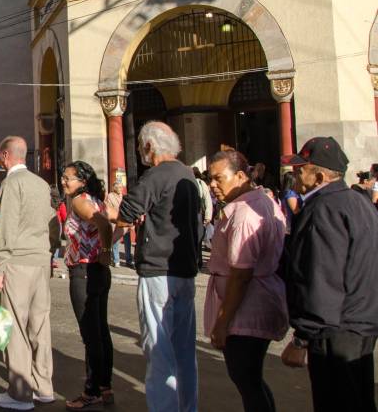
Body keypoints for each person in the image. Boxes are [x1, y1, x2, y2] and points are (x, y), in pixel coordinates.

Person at [281, 137, 378, 412]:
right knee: (358, 400)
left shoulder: (323, 208)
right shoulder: (359, 202)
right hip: (360, 322)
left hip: (335, 329)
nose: (296, 175)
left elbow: (321, 277)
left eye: (301, 170)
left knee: (336, 401)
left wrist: (302, 336)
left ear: (319, 176)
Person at [115, 121, 202, 412]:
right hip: (185, 271)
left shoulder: (157, 175)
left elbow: (126, 213)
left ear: (149, 147)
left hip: (158, 272)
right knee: (184, 352)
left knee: (159, 351)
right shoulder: (187, 175)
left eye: (141, 146)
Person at [205, 150, 288, 412]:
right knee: (251, 381)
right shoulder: (258, 202)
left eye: (219, 178)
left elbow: (241, 275)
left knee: (247, 379)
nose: (213, 186)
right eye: (210, 179)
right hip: (253, 303)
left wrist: (223, 321)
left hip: (247, 311)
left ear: (240, 176)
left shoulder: (245, 214)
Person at [0, 136, 56, 410]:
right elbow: (54, 223)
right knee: (40, 325)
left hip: (17, 260)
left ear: (6, 156)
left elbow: (5, 228)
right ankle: (44, 386)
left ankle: (20, 392)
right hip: (41, 259)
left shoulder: (10, 184)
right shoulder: (41, 184)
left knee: (16, 325)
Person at [61, 161, 115, 410]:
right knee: (100, 331)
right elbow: (112, 222)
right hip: (97, 271)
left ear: (82, 181)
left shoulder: (80, 201)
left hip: (84, 271)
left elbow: (103, 224)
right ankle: (105, 386)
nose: (64, 181)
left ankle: (91, 390)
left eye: (68, 178)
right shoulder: (93, 198)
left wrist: (105, 251)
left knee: (90, 334)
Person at [279, 171, 300, 235]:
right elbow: (296, 211)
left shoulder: (287, 192)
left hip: (289, 223)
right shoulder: (290, 194)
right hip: (292, 225)